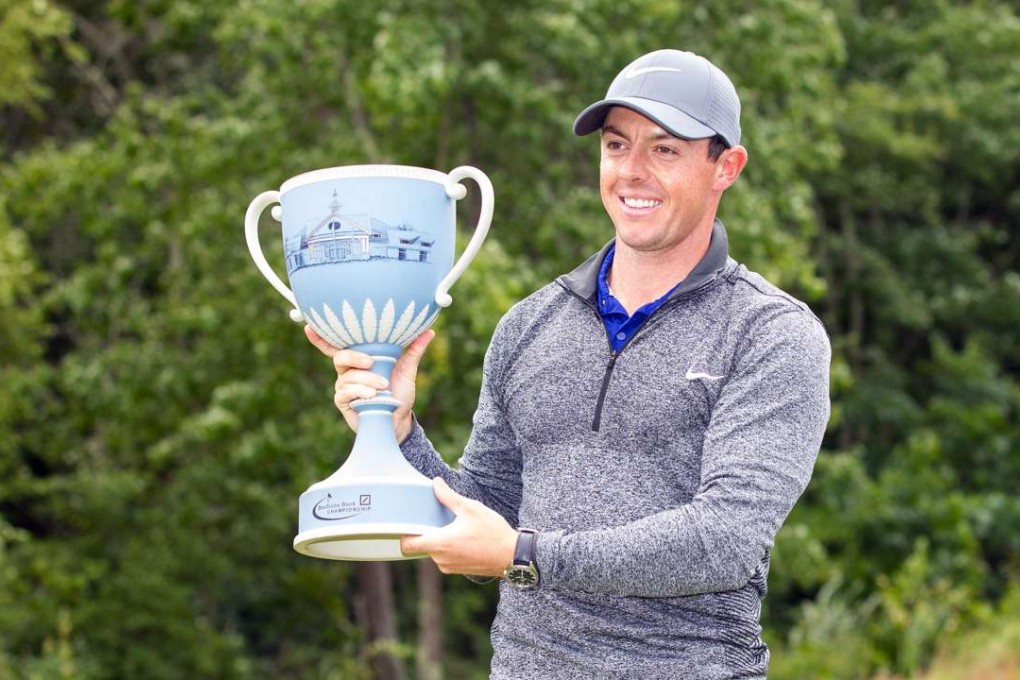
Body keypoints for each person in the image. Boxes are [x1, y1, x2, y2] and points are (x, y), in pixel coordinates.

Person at [307, 48, 831, 679]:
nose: (632, 172)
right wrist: (397, 435)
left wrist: (526, 555)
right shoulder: (529, 325)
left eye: (664, 150)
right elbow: (483, 519)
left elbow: (724, 541)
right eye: (616, 146)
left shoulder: (771, 334)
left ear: (727, 167)